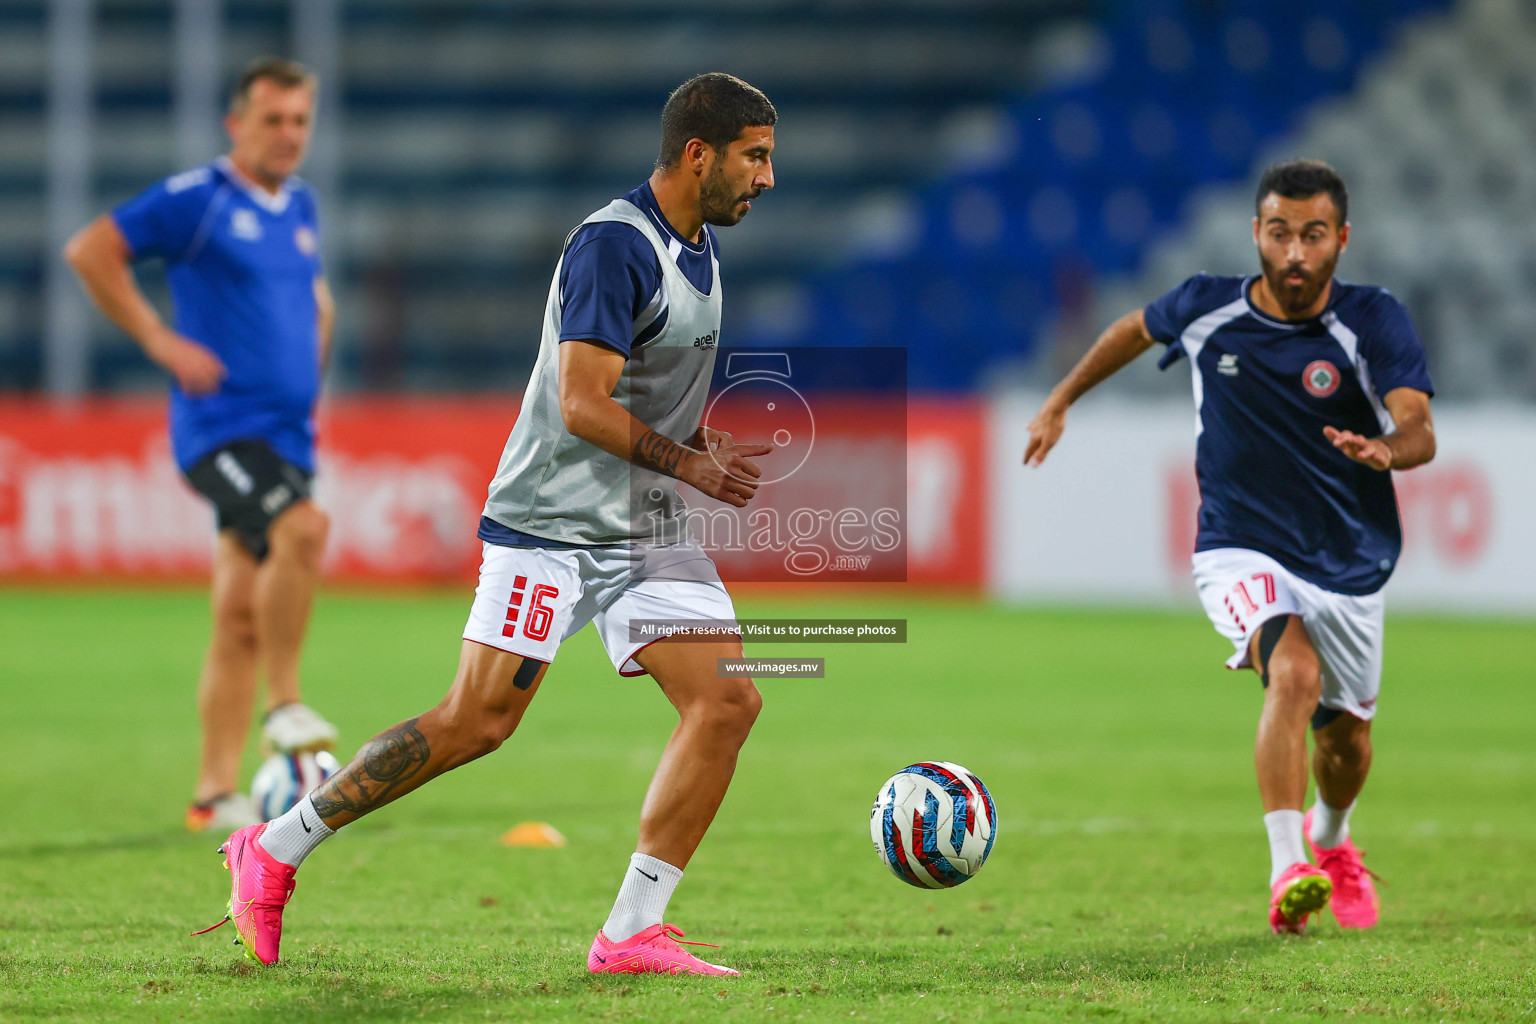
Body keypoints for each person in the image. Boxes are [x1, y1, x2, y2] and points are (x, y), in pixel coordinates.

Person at [198, 72, 778, 975]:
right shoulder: (612, 246)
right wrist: (688, 463)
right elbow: (581, 404)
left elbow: (639, 391)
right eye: (755, 155)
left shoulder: (699, 250)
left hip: (642, 529)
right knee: (477, 723)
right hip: (551, 524)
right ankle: (272, 848)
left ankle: (630, 931)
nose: (767, 177)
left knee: (727, 701)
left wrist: (692, 439)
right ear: (698, 153)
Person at [1023, 159, 1435, 935]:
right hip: (1238, 544)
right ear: (1257, 233)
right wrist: (1061, 398)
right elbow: (1132, 329)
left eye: (1313, 236)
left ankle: (1331, 840)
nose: (1295, 255)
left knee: (1346, 744)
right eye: (1279, 233)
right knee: (1293, 672)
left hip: (1349, 558)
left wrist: (1389, 447)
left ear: (1341, 239)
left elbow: (1418, 424)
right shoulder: (1207, 306)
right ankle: (1288, 869)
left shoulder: (1373, 320)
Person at [65, 57, 339, 832]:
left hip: (286, 431)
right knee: (304, 529)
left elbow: (314, 301)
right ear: (237, 124)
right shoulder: (200, 200)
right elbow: (90, 250)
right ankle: (284, 705)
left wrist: (310, 356)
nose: (288, 134)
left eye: (299, 120)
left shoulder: (301, 205)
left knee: (236, 613)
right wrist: (159, 339)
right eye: (273, 119)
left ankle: (214, 793)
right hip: (220, 430)